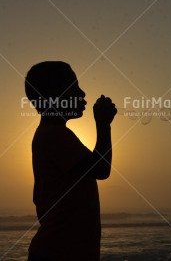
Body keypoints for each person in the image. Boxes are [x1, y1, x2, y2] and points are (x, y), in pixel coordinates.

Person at [25, 61, 117, 261]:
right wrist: (103, 125)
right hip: (59, 253)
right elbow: (101, 169)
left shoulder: (52, 134)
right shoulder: (55, 135)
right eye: (74, 87)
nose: (83, 94)